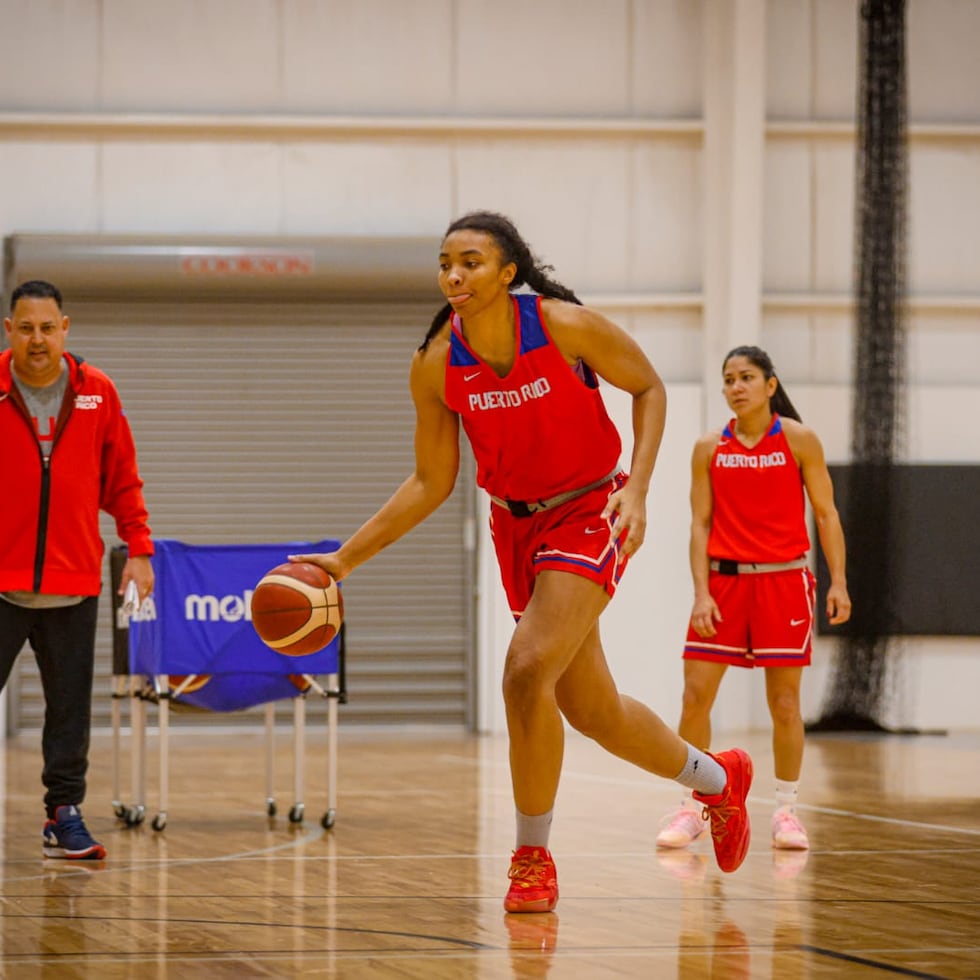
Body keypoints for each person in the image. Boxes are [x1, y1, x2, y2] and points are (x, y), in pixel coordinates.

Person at [292, 211, 753, 913]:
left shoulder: (564, 326)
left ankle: (532, 859)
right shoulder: (436, 361)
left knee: (523, 670)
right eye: (446, 262)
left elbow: (649, 386)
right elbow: (431, 481)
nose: (454, 274)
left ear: (509, 273)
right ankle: (720, 781)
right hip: (515, 530)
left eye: (471, 262)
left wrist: (639, 488)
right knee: (591, 710)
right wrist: (343, 560)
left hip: (588, 510)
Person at [656, 345, 851, 855]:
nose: (735, 387)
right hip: (723, 585)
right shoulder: (707, 447)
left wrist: (838, 582)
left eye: (746, 377)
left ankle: (786, 810)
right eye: (728, 379)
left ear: (770, 385)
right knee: (695, 697)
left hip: (784, 582)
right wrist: (700, 592)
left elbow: (827, 514)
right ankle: (692, 805)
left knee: (784, 703)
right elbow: (699, 524)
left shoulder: (799, 439)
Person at [1, 279, 155, 860]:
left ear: (65, 328)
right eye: (25, 327)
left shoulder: (97, 392)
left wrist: (138, 548)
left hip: (73, 583)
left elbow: (123, 478)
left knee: (69, 710)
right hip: (1, 582)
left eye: (47, 327)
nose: (37, 339)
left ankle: (63, 815)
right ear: (8, 329)